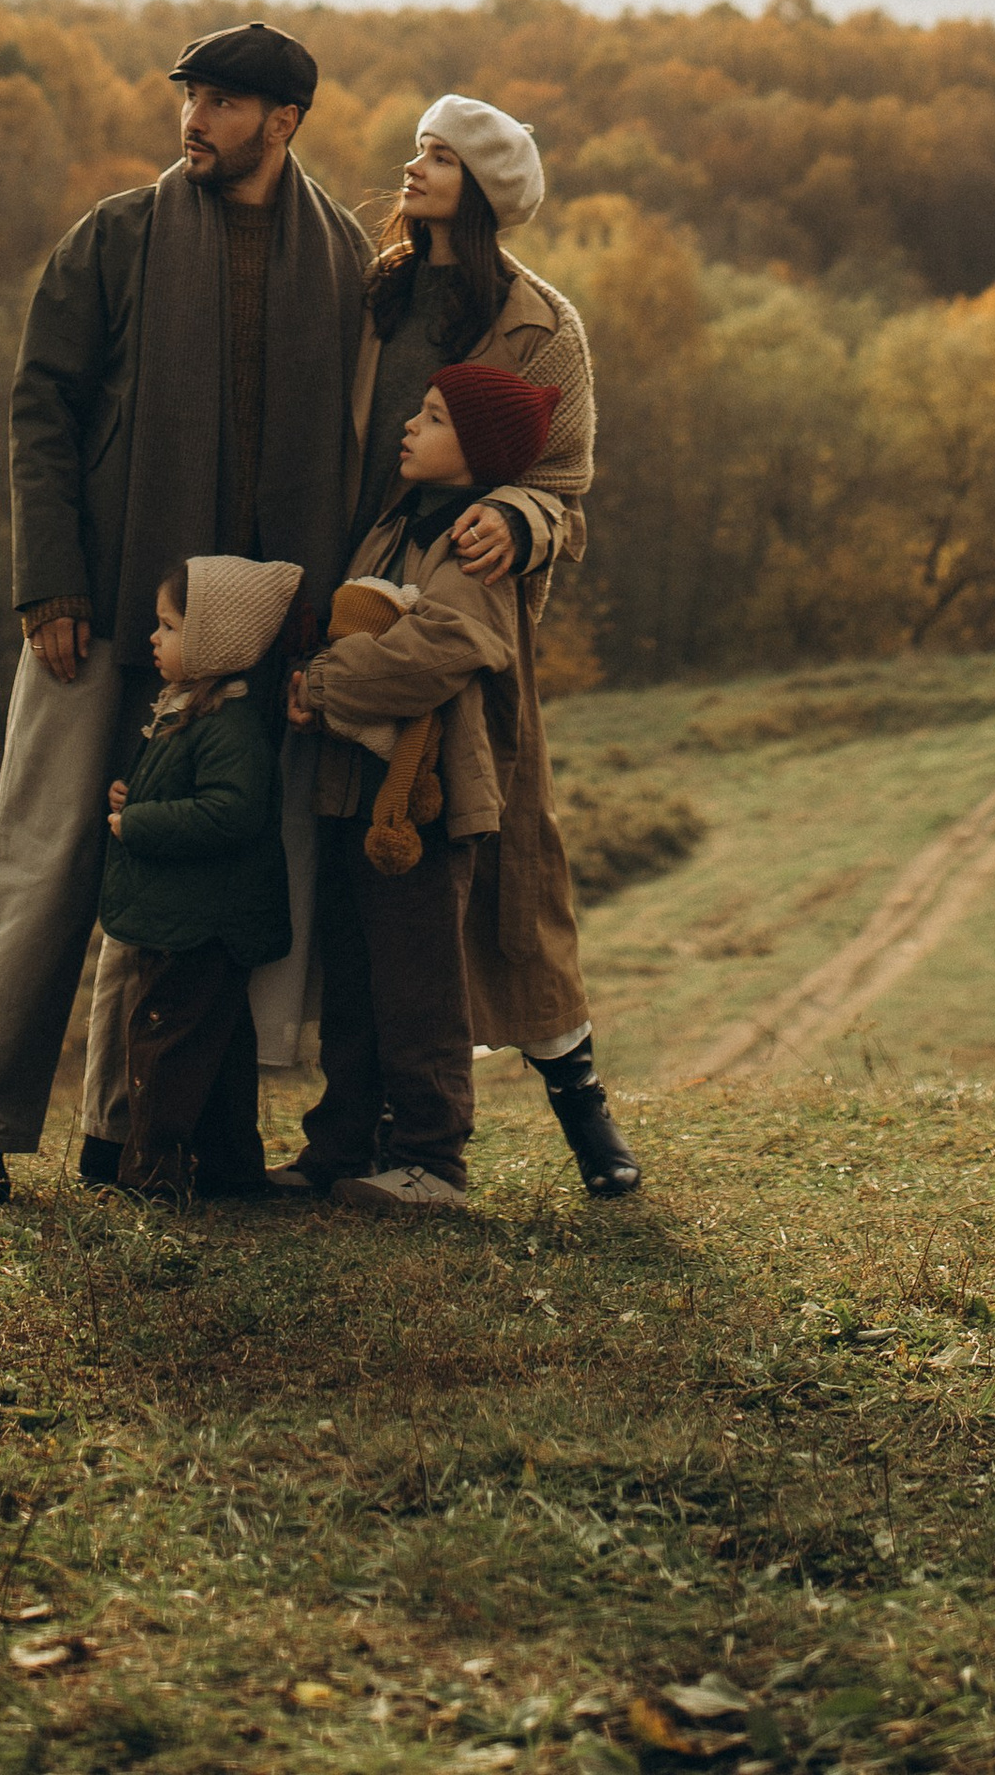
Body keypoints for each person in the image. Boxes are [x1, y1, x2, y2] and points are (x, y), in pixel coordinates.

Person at [0, 20, 370, 1201]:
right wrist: (50, 580)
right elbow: (42, 410)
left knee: (183, 881)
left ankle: (127, 1137)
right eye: (189, 97)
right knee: (48, 857)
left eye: (225, 103)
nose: (195, 120)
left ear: (284, 121)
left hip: (248, 632)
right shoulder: (116, 236)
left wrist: (311, 629)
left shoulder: (342, 259)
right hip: (108, 604)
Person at [357, 94, 640, 1197]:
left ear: (481, 189)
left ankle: (582, 1110)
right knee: (370, 869)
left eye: (439, 156)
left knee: (512, 872)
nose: (413, 166)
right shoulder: (368, 296)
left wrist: (517, 518)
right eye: (418, 148)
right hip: (357, 597)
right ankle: (376, 1127)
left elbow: (564, 490)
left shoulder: (542, 325)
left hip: (470, 617)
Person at [285, 362, 558, 1211]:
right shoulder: (396, 522)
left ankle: (433, 1158)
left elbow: (446, 645)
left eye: (434, 418)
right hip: (352, 792)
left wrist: (324, 686)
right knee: (356, 983)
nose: (411, 425)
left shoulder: (472, 542)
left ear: (475, 450)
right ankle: (342, 1146)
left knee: (419, 985)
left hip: (425, 802)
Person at [98, 554, 303, 1199]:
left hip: (203, 922)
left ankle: (152, 1177)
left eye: (169, 626)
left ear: (211, 640)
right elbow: (190, 793)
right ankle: (231, 1170)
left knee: (166, 1045)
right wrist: (138, 795)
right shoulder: (190, 712)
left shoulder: (229, 725)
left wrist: (141, 824)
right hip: (192, 916)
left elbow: (230, 814)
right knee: (218, 1049)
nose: (154, 639)